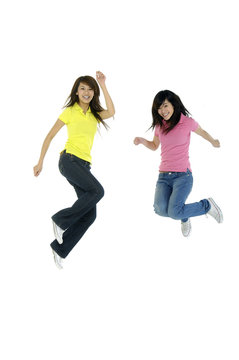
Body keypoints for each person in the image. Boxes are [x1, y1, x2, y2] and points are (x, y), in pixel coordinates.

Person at [34, 71, 115, 269]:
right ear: (76, 92)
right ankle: (60, 220)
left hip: (84, 166)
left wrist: (103, 84)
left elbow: (111, 112)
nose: (86, 92)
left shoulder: (94, 115)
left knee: (90, 215)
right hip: (69, 160)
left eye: (90, 89)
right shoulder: (70, 111)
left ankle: (60, 249)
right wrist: (40, 161)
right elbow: (49, 136)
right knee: (98, 191)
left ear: (93, 93)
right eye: (82, 88)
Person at [134, 90, 223, 237]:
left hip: (183, 176)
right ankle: (184, 215)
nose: (162, 111)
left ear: (173, 104)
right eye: (159, 107)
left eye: (165, 106)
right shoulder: (159, 126)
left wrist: (214, 142)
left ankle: (206, 205)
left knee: (174, 212)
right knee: (160, 210)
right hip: (163, 177)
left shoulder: (187, 122)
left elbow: (202, 132)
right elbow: (155, 145)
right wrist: (142, 141)